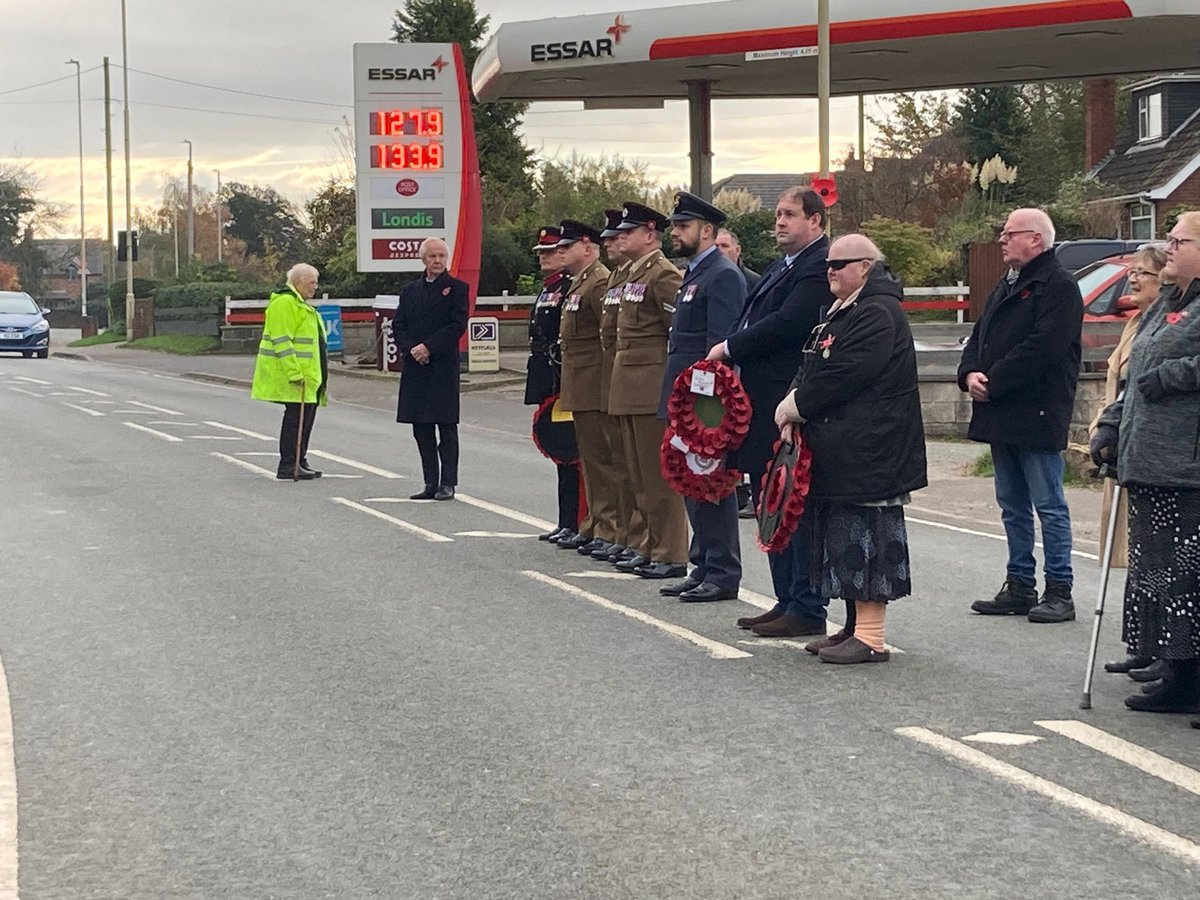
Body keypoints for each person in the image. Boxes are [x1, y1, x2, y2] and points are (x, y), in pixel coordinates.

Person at [774, 235, 927, 663]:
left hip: (872, 450)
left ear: (865, 266)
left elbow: (848, 372)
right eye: (828, 265)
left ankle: (872, 637)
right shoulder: (845, 311)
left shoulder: (878, 311)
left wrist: (797, 405)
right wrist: (792, 405)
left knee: (867, 539)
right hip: (846, 447)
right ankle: (852, 627)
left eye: (840, 264)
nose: (831, 271)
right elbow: (812, 365)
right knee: (840, 538)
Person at [707, 187, 834, 638]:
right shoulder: (785, 266)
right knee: (769, 502)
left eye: (790, 214)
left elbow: (789, 324)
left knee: (788, 501)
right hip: (761, 402)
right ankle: (786, 599)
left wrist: (730, 347)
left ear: (815, 222)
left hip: (786, 401)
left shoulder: (818, 266)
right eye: (778, 214)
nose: (779, 222)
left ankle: (806, 604)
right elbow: (753, 316)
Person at [1092, 212, 1200, 720]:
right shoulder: (1168, 304)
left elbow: (1167, 371)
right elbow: (1136, 372)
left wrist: (1174, 375)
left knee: (1185, 575)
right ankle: (1170, 662)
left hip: (1185, 465)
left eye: (1179, 240)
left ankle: (1188, 673)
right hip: (1148, 458)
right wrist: (1112, 425)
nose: (1169, 247)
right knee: (1155, 571)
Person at [958, 208, 1083, 623]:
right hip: (1003, 410)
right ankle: (1019, 583)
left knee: (1048, 503)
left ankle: (1059, 588)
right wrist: (969, 372)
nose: (1002, 240)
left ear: (1037, 239)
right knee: (1011, 504)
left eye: (1010, 233)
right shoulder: (1008, 283)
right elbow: (981, 334)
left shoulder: (1058, 286)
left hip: (1037, 410)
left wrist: (993, 380)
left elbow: (1045, 347)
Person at [658, 192, 746, 602]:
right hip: (685, 397)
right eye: (676, 226)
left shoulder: (722, 275)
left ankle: (723, 570)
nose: (675, 233)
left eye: (683, 226)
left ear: (707, 231)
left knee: (711, 481)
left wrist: (711, 410)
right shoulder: (695, 273)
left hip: (705, 402)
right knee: (689, 477)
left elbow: (720, 345)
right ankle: (703, 563)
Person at [1088, 244, 1168, 678]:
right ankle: (1141, 642)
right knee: (1136, 554)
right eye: (1133, 272)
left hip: (1146, 450)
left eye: (1144, 273)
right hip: (1121, 445)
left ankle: (1161, 648)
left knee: (1153, 555)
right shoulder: (1136, 322)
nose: (1133, 279)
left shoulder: (1164, 325)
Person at [608, 201, 688, 579]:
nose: (621, 238)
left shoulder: (661, 274)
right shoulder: (633, 275)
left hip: (650, 382)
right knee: (637, 474)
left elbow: (679, 330)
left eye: (629, 232)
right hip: (629, 382)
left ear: (649, 235)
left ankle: (671, 551)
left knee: (656, 476)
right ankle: (650, 544)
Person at [555, 219, 615, 556]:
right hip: (580, 382)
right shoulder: (581, 282)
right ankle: (596, 524)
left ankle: (609, 528)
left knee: (605, 462)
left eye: (568, 246)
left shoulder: (599, 282)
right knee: (590, 462)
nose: (561, 252)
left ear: (588, 248)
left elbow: (608, 339)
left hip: (596, 383)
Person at [395, 238, 469, 501]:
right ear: (423, 259)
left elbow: (456, 325)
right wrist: (413, 349)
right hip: (416, 366)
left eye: (441, 256)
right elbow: (398, 325)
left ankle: (448, 482)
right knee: (421, 428)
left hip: (441, 365)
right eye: (432, 256)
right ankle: (430, 481)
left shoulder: (457, 288)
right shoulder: (409, 290)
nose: (437, 261)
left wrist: (429, 347)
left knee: (446, 427)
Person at [592, 210, 646, 564]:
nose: (615, 242)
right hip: (617, 378)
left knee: (642, 473)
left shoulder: (658, 275)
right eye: (612, 237)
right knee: (619, 465)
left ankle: (649, 543)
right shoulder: (619, 277)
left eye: (623, 234)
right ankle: (625, 534)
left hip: (641, 381)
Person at [524, 226, 580, 542]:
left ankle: (575, 521)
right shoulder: (548, 288)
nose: (544, 257)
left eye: (550, 251)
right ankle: (565, 520)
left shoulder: (569, 286)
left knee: (570, 451)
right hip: (546, 372)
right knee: (559, 452)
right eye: (541, 252)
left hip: (562, 374)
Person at [251, 263, 328, 480]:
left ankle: (299, 460)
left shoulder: (300, 304)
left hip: (309, 377)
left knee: (305, 419)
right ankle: (288, 464)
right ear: (298, 282)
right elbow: (282, 340)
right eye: (311, 282)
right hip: (293, 376)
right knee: (296, 419)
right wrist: (294, 374)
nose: (315, 287)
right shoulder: (285, 303)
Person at [716, 228, 761, 292]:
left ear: (737, 250)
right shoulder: (705, 277)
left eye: (724, 246)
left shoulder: (754, 281)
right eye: (716, 246)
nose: (719, 250)